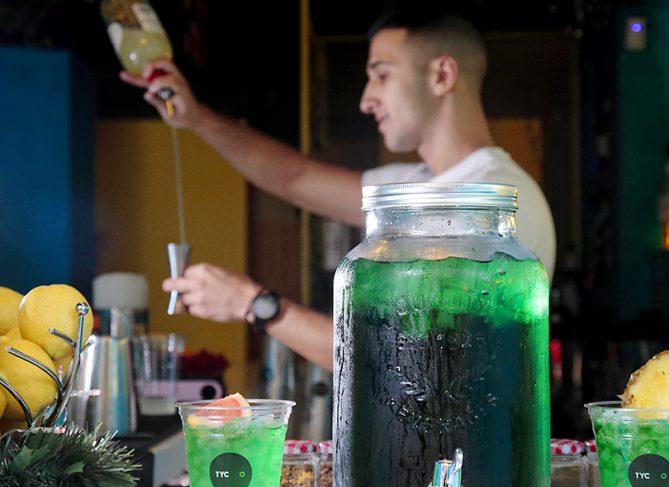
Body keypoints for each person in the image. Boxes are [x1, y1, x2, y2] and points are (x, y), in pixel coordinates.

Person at [121, 10, 556, 372]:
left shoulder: (496, 200)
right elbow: (293, 180)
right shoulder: (420, 188)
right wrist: (196, 119)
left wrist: (254, 304)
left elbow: (414, 358)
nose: (366, 100)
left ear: (442, 75)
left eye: (381, 75)